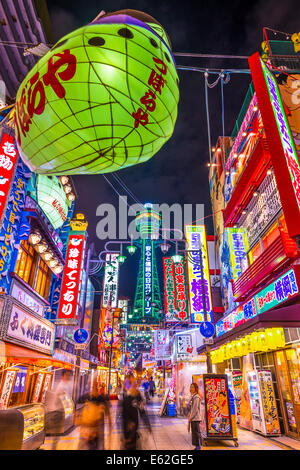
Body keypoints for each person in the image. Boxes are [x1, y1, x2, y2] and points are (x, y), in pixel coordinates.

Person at [44, 369, 74, 450]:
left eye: (70, 375)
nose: (69, 377)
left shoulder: (66, 385)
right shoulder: (61, 386)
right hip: (56, 412)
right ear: (63, 376)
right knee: (55, 435)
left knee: (56, 436)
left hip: (59, 411)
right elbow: (58, 398)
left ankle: (53, 447)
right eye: (67, 375)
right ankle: (53, 448)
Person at [77, 380, 112, 450]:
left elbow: (108, 414)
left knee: (98, 445)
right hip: (88, 430)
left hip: (98, 429)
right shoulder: (86, 398)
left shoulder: (100, 398)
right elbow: (79, 413)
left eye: (94, 386)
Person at [121, 377, 151, 450]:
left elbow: (142, 411)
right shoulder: (125, 396)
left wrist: (147, 424)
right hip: (128, 429)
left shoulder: (136, 396)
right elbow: (123, 414)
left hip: (133, 429)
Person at [187, 383, 201, 450]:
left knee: (196, 433)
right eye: (190, 387)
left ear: (196, 388)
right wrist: (189, 413)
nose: (191, 388)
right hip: (193, 418)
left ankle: (198, 447)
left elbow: (195, 409)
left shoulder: (197, 397)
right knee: (194, 433)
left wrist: (190, 418)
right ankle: (196, 446)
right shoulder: (193, 396)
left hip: (196, 418)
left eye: (192, 387)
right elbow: (192, 408)